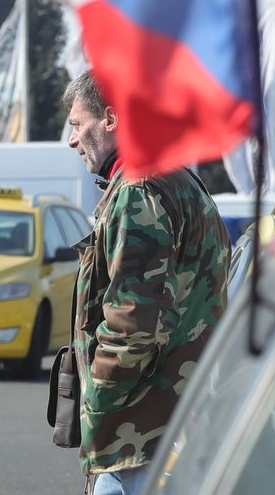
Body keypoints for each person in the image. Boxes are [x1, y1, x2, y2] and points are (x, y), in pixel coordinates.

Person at [62, 71, 230, 495]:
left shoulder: (137, 190)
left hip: (143, 437)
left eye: (77, 124)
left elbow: (133, 325)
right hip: (173, 425)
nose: (72, 139)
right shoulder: (169, 175)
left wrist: (97, 403)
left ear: (112, 120)